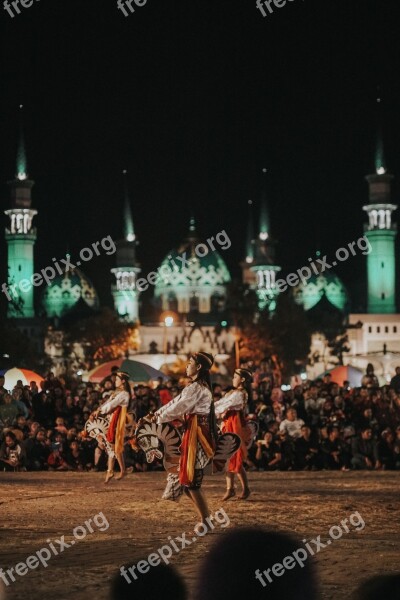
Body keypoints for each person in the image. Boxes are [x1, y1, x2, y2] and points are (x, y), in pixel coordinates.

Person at [146, 352, 217, 526]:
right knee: (187, 484)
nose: (187, 366)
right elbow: (176, 403)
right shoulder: (196, 387)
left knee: (191, 483)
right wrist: (157, 415)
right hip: (193, 432)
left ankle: (206, 520)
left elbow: (179, 406)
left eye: (190, 363)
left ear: (198, 367)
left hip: (197, 436)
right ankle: (207, 517)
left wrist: (158, 417)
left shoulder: (197, 388)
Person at [214, 368, 253, 500]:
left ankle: (235, 489)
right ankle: (235, 488)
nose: (233, 379)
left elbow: (224, 405)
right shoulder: (233, 392)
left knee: (233, 457)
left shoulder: (239, 394)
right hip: (229, 424)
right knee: (229, 457)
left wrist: (210, 410)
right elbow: (221, 403)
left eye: (235, 377)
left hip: (234, 426)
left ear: (242, 379)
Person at [91, 371, 131, 483]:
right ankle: (111, 470)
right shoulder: (117, 392)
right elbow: (107, 403)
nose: (115, 381)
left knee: (114, 446)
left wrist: (99, 411)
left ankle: (121, 470)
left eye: (117, 379)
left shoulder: (124, 394)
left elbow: (111, 405)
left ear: (123, 381)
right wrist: (98, 410)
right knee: (111, 446)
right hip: (113, 419)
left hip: (118, 421)